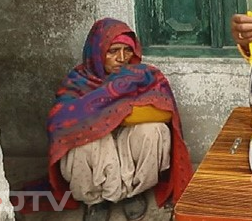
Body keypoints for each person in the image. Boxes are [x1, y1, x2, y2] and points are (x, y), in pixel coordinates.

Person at [45, 18, 194, 221]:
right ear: (97, 52)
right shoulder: (78, 81)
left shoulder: (144, 75)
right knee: (79, 139)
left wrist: (114, 115)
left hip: (128, 143)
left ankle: (134, 192)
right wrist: (102, 122)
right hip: (96, 150)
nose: (121, 57)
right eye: (113, 51)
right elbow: (59, 123)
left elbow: (165, 111)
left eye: (127, 50)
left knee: (155, 130)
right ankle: (95, 200)